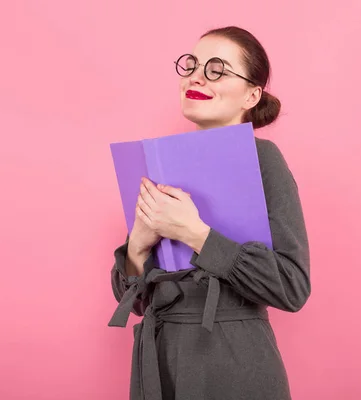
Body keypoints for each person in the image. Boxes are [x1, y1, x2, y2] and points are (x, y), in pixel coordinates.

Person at [108, 26, 311, 400]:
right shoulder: (160, 163)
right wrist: (137, 245)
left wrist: (196, 234)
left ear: (252, 94)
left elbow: (293, 287)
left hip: (231, 364)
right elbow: (136, 304)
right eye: (192, 65)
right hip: (159, 361)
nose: (196, 77)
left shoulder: (263, 159)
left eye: (217, 69)